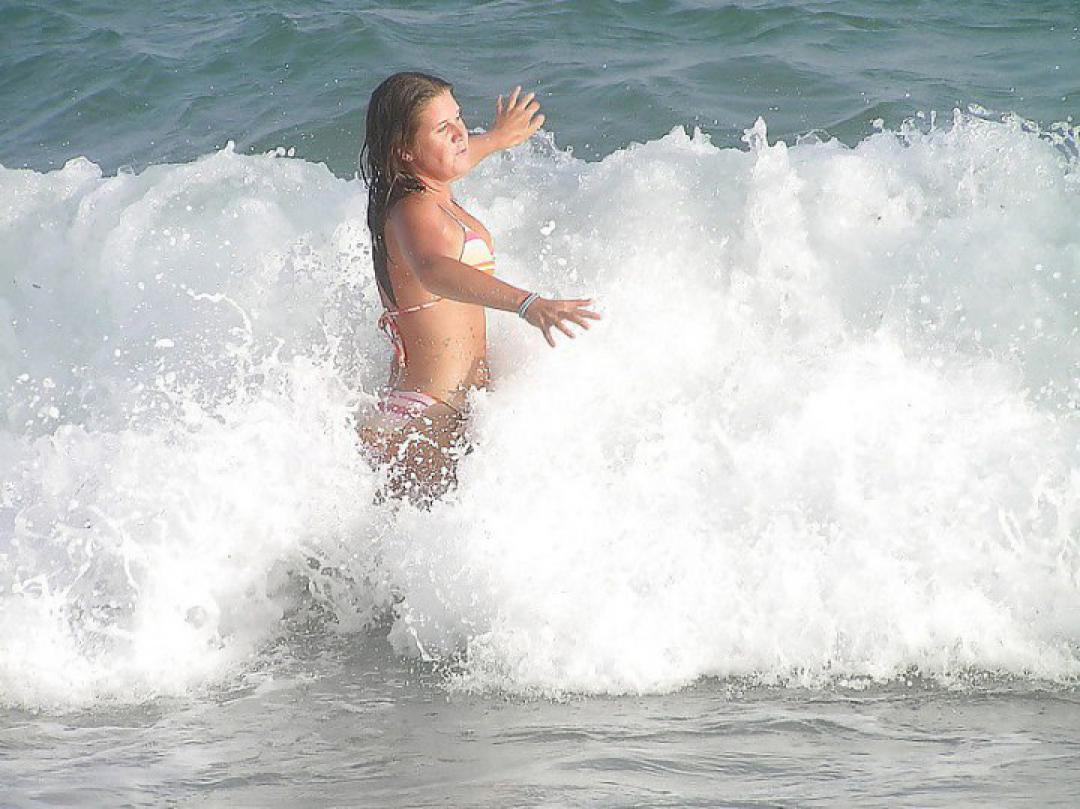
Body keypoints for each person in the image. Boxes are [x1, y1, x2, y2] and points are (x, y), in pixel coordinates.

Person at [358, 72, 599, 501]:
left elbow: (463, 154)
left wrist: (501, 137)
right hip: (428, 417)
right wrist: (527, 303)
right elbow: (433, 270)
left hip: (440, 412)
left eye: (459, 118)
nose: (461, 134)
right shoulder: (414, 211)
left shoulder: (431, 187)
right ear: (404, 149)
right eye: (442, 128)